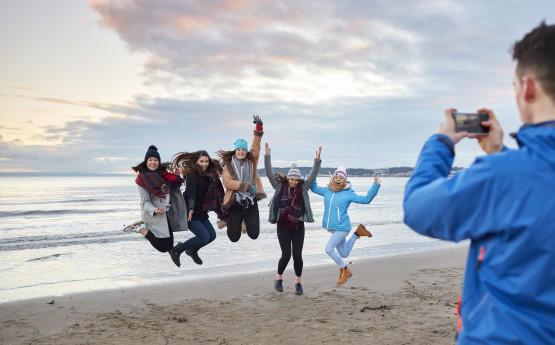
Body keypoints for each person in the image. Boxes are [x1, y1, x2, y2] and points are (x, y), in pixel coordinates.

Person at [403, 22, 555, 344]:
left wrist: (441, 142)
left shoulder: (504, 176)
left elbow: (417, 207)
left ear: (528, 88)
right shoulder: (510, 173)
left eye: (514, 86)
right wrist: (499, 152)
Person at [264, 143, 322, 295]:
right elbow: (270, 174)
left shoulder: (303, 187)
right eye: (292, 179)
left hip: (298, 225)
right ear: (288, 178)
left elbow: (313, 176)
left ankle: (298, 283)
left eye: (296, 180)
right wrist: (267, 156)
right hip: (282, 225)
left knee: (297, 255)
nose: (294, 182)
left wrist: (317, 161)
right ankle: (279, 278)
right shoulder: (279, 186)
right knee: (286, 255)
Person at [311, 166, 380, 285]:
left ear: (345, 180)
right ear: (333, 179)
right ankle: (358, 232)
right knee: (344, 253)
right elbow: (314, 188)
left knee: (329, 249)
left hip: (342, 228)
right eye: (336, 177)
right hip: (334, 228)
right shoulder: (327, 191)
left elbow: (366, 199)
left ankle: (345, 270)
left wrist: (375, 186)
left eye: (341, 178)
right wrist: (313, 176)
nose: (338, 179)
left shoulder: (348, 193)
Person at [129, 145, 188, 266]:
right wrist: (155, 210)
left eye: (155, 160)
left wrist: (177, 176)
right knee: (163, 247)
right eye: (150, 160)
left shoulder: (163, 174)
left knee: (169, 245)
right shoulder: (141, 180)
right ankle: (140, 229)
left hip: (165, 212)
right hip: (154, 214)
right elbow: (145, 201)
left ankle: (175, 253)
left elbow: (173, 188)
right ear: (146, 161)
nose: (153, 162)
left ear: (158, 162)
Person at [168, 150, 226, 267]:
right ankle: (176, 250)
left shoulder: (211, 176)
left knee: (212, 236)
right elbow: (191, 194)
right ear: (196, 162)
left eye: (206, 161)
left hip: (201, 211)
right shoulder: (192, 176)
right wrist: (190, 209)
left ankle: (192, 250)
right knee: (204, 237)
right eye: (201, 161)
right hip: (190, 212)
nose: (204, 164)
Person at [218, 115, 267, 242]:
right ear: (235, 151)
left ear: (246, 151)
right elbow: (227, 182)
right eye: (238, 149)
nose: (241, 152)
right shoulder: (228, 165)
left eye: (243, 149)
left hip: (250, 200)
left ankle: (246, 221)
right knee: (233, 237)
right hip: (235, 202)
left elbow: (256, 146)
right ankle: (237, 222)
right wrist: (244, 186)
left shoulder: (252, 161)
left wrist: (259, 128)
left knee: (254, 235)